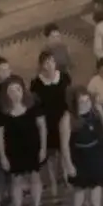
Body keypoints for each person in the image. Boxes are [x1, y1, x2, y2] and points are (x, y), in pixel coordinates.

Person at [0, 77, 47, 206]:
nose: (15, 93)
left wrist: (43, 147)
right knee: (16, 182)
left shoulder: (33, 105)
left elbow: (42, 127)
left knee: (35, 178)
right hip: (13, 151)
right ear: (6, 93)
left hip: (33, 148)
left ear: (23, 90)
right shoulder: (2, 110)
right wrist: (2, 156)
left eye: (18, 89)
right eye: (11, 90)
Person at [60, 88, 103, 206]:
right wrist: (68, 164)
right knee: (80, 189)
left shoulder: (98, 110)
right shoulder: (67, 118)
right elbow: (64, 145)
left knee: (97, 185)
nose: (85, 104)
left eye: (87, 100)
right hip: (79, 156)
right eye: (81, 102)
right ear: (74, 104)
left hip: (98, 152)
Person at [31, 51, 72, 195]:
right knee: (51, 153)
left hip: (63, 117)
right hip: (47, 121)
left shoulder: (64, 77)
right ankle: (53, 180)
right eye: (47, 62)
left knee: (64, 149)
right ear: (41, 65)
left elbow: (69, 97)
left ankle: (66, 176)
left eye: (52, 61)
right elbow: (36, 104)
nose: (50, 65)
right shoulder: (36, 83)